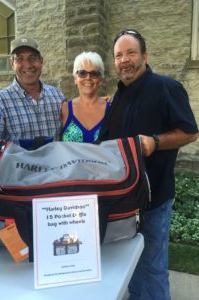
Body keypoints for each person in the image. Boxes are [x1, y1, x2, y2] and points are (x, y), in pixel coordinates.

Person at [98, 28, 199, 300]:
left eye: (131, 52)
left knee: (153, 267)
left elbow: (190, 132)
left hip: (154, 201)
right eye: (119, 55)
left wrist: (155, 141)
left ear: (145, 55)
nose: (124, 60)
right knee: (132, 265)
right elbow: (107, 142)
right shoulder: (118, 97)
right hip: (124, 201)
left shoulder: (167, 87)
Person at [0, 36, 65, 155]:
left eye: (33, 58)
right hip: (18, 173)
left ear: (41, 61)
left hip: (56, 171)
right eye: (20, 59)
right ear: (12, 64)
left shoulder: (57, 96)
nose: (28, 65)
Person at [61, 51, 110, 143]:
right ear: (75, 79)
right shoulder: (64, 109)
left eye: (94, 74)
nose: (88, 77)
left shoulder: (111, 109)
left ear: (100, 80)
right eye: (82, 73)